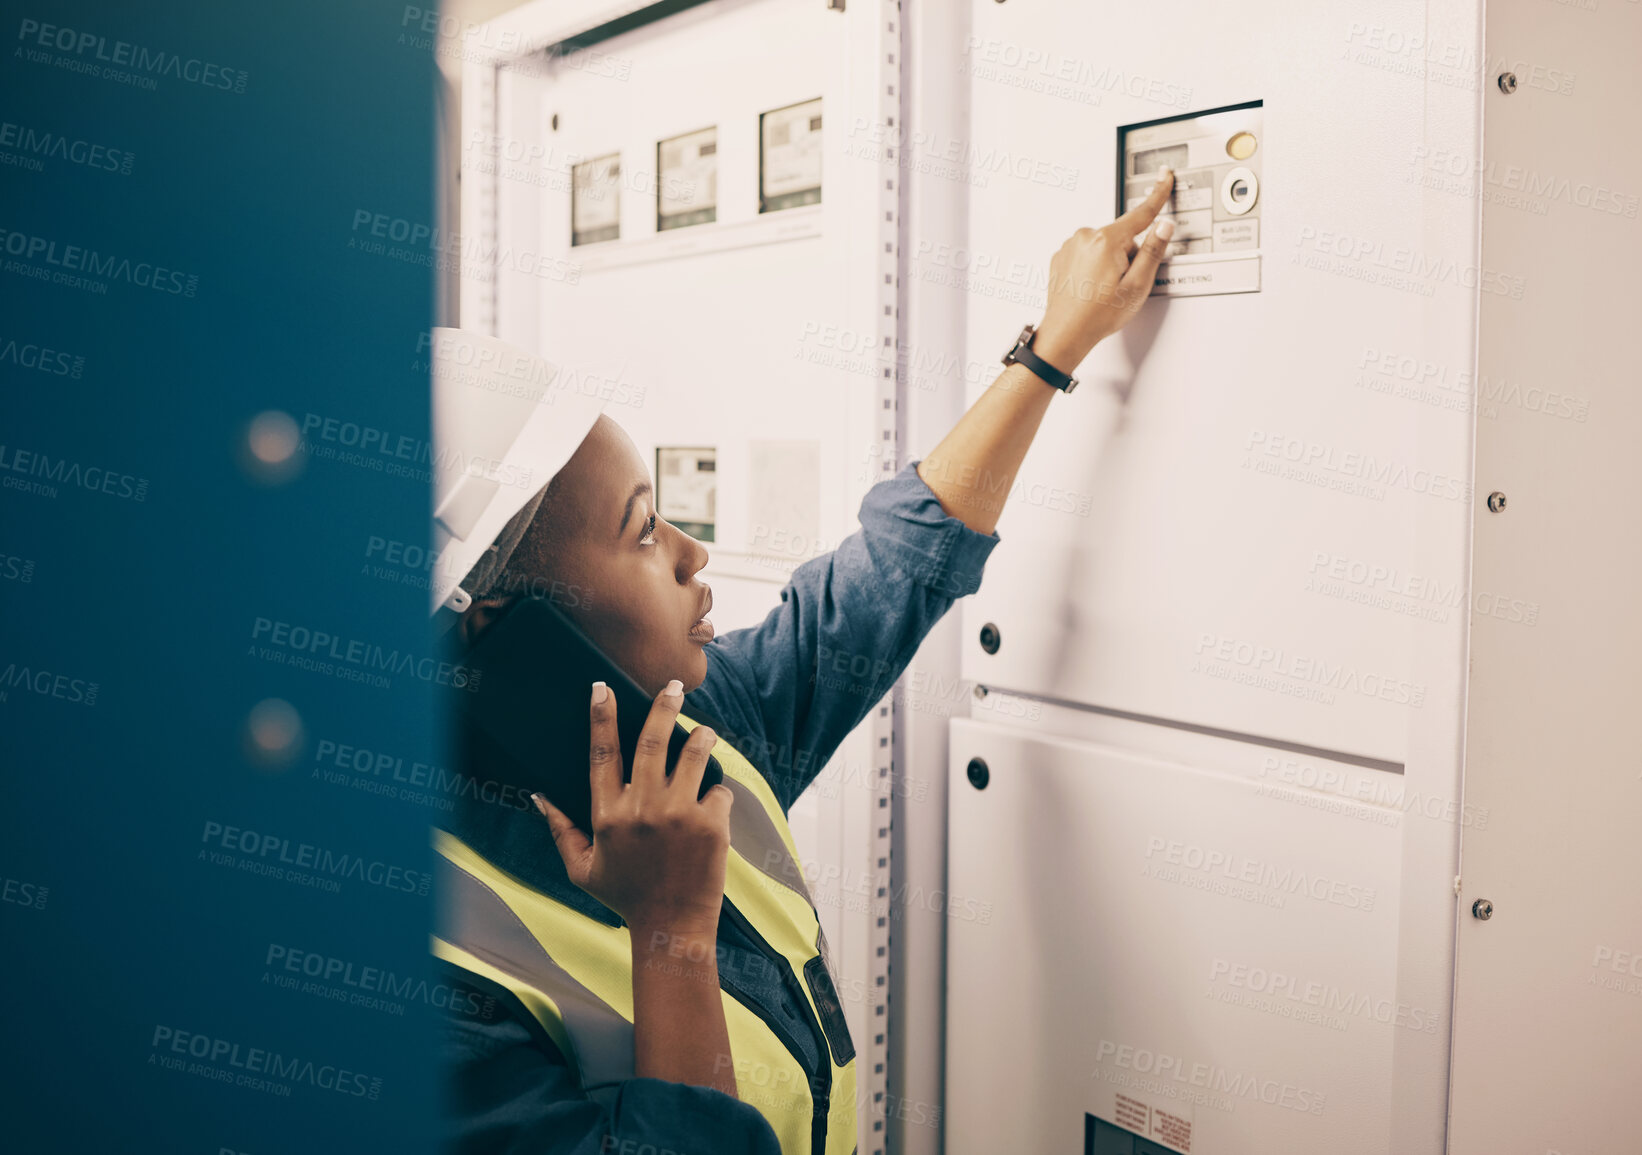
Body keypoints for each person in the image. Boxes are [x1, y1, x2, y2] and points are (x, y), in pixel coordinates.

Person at [433, 170, 1179, 1154]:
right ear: (504, 632)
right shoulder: (440, 981)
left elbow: (880, 583)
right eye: (643, 531)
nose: (693, 554)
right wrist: (670, 928)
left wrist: (1053, 348)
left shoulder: (703, 731)